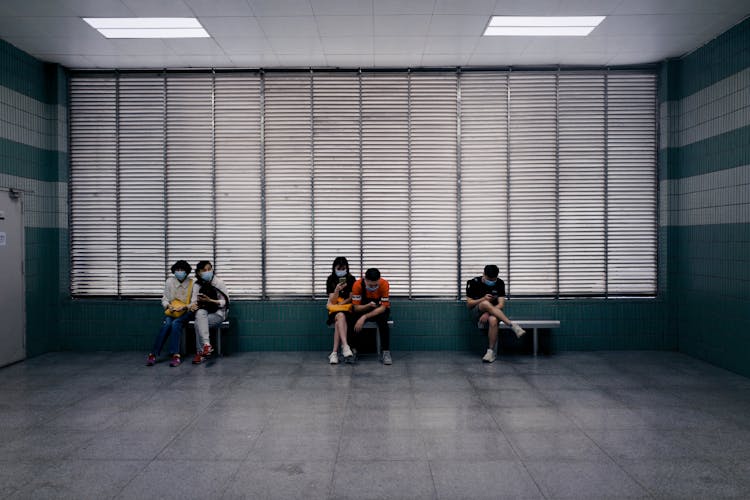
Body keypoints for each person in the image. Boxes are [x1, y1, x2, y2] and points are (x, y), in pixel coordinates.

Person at [466, 264, 525, 363]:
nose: (491, 282)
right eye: (489, 279)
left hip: (494, 313)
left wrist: (488, 313)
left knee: (493, 320)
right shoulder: (473, 282)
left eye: (493, 280)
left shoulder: (500, 283)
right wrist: (483, 299)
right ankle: (512, 325)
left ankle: (490, 352)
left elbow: (501, 305)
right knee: (485, 303)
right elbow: (469, 304)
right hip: (477, 312)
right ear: (483, 274)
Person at [146, 260, 194, 367]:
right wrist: (168, 306)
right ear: (174, 271)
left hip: (187, 312)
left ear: (186, 272)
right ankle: (153, 354)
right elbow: (165, 299)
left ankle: (175, 355)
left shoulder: (192, 283)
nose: (180, 272)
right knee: (167, 324)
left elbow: (194, 302)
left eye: (182, 270)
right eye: (177, 270)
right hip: (172, 311)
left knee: (176, 323)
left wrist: (185, 307)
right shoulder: (169, 282)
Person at [189, 260, 229, 365]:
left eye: (209, 269)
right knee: (200, 315)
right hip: (203, 313)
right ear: (198, 272)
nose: (207, 272)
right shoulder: (197, 284)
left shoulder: (218, 282)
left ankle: (201, 353)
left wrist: (210, 300)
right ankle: (207, 346)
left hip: (219, 314)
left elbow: (225, 302)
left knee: (198, 323)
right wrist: (192, 306)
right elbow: (193, 302)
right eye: (204, 270)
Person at [351, 268, 392, 365]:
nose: (373, 287)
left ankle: (386, 352)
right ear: (365, 280)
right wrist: (367, 306)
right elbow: (356, 308)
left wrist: (364, 317)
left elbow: (383, 308)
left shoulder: (384, 284)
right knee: (352, 319)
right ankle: (353, 350)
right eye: (370, 285)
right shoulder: (357, 285)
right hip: (363, 307)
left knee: (383, 320)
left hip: (378, 310)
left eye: (375, 285)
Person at [326, 257, 356, 364]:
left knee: (340, 319)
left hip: (347, 309)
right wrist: (337, 290)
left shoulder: (351, 279)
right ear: (334, 268)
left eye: (343, 268)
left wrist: (343, 303)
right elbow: (333, 301)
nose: (341, 270)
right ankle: (345, 346)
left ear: (347, 268)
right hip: (335, 309)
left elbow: (352, 297)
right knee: (340, 316)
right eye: (339, 268)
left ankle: (334, 353)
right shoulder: (330, 279)